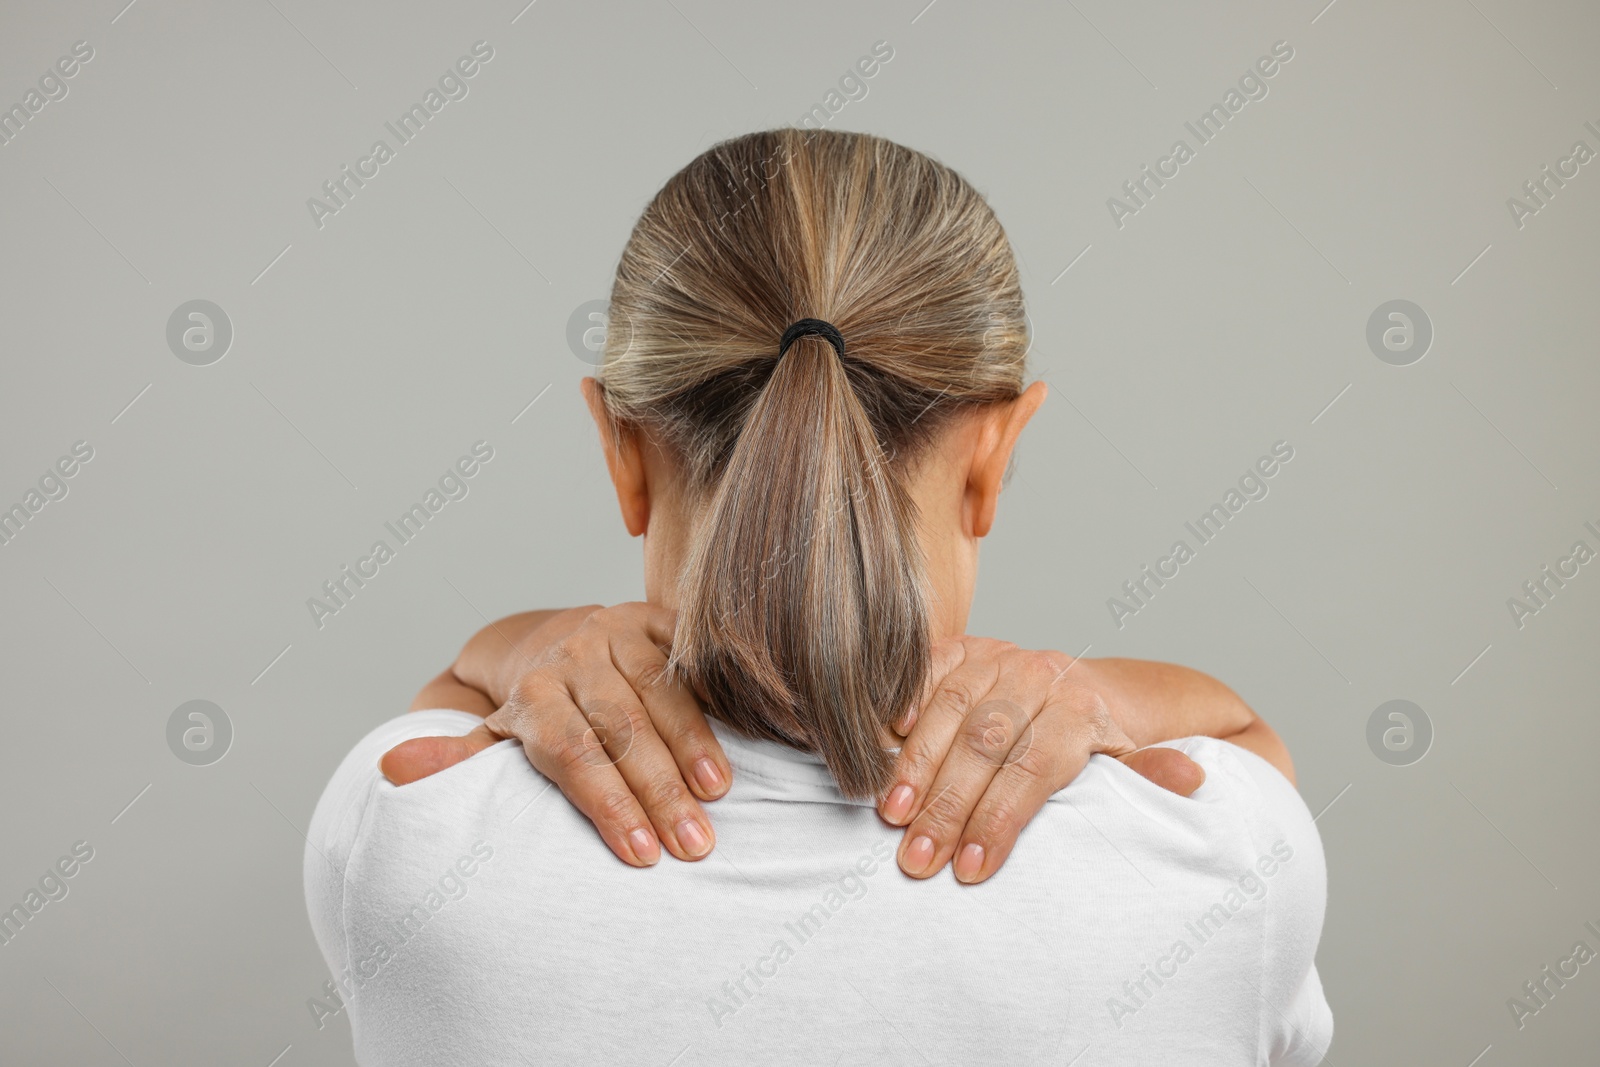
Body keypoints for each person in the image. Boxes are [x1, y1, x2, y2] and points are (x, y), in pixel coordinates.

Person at [305, 128, 1332, 1064]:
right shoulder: (1207, 856)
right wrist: (1101, 695)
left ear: (621, 449)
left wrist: (528, 644)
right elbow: (1251, 747)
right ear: (993, 455)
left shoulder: (411, 832)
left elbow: (442, 697)